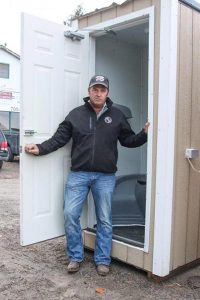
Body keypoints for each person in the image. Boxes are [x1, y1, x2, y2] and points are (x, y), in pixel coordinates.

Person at [25, 75, 150, 276]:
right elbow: (59, 138)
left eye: (102, 89)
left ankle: (102, 260)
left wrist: (144, 134)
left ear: (107, 92)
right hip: (79, 175)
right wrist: (39, 147)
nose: (98, 93)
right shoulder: (75, 115)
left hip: (105, 177)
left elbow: (128, 140)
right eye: (95, 89)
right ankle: (75, 256)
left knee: (104, 219)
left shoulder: (117, 116)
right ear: (89, 91)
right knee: (70, 215)